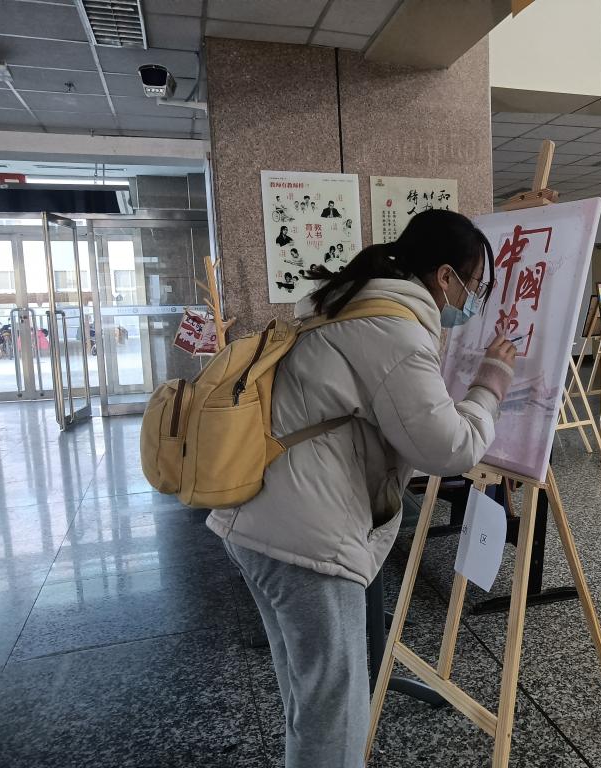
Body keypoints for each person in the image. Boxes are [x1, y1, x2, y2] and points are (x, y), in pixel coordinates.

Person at [207, 209, 516, 768]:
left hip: (260, 517)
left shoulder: (351, 302)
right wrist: (490, 382)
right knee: (335, 710)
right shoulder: (394, 331)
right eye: (476, 285)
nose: (475, 301)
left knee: (309, 695)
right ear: (445, 277)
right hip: (306, 539)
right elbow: (451, 448)